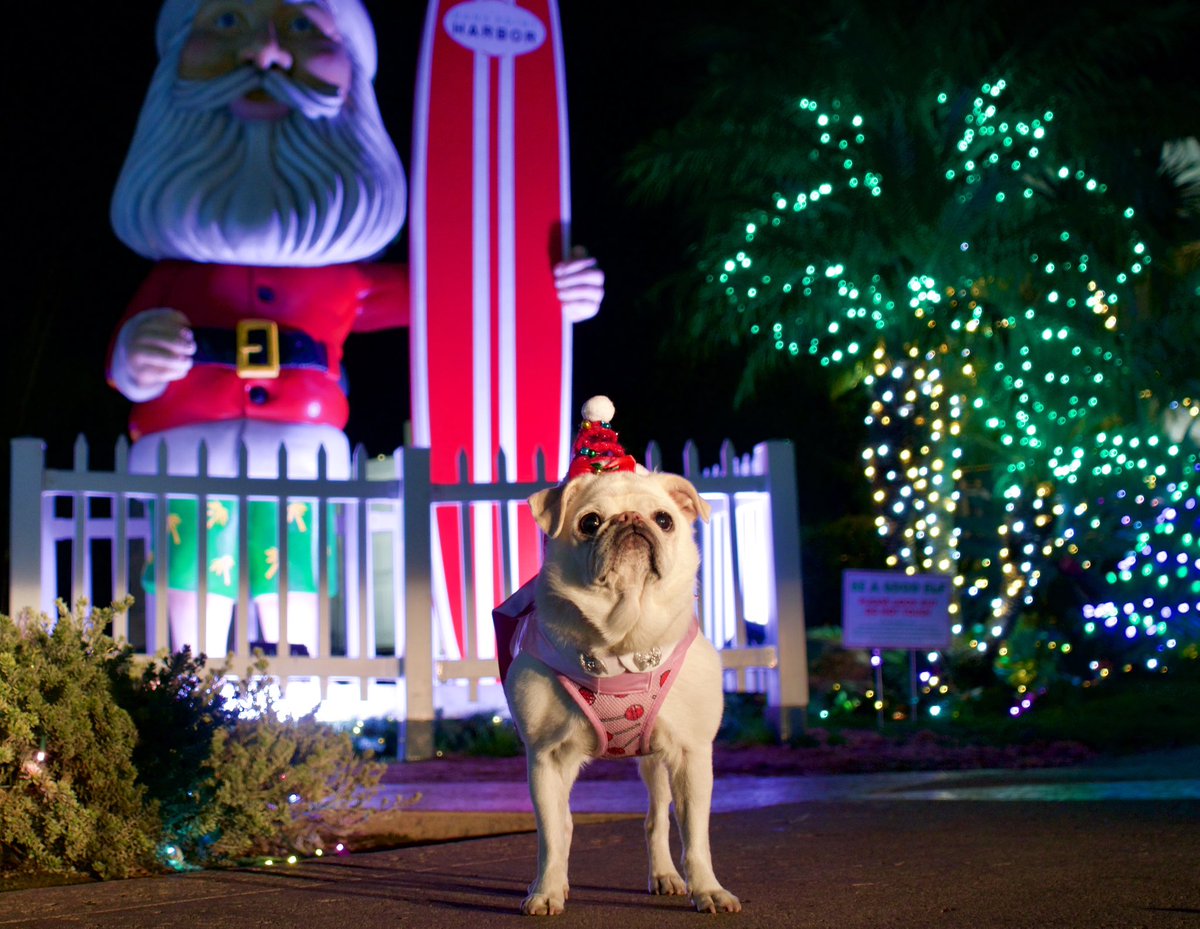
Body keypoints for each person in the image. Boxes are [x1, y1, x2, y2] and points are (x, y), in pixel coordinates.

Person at [107, 0, 603, 657]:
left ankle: (291, 678)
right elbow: (124, 352)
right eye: (228, 23)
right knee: (193, 564)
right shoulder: (179, 272)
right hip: (187, 447)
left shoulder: (345, 280)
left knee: (293, 566)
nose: (266, 55)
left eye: (305, 27)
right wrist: (134, 356)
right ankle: (190, 675)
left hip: (301, 451)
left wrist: (548, 293)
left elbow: (462, 301)